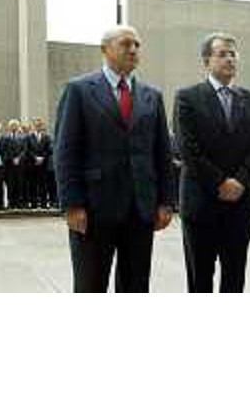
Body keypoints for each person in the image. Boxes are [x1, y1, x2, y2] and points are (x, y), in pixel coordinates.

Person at [55, 25, 175, 293]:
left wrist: (166, 201)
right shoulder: (79, 90)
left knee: (136, 285)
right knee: (90, 285)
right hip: (94, 209)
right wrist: (72, 204)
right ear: (105, 49)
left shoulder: (151, 96)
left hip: (140, 209)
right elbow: (65, 152)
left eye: (137, 45)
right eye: (126, 44)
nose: (133, 50)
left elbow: (161, 152)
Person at [174, 32, 250, 293]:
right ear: (206, 61)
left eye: (233, 54)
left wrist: (239, 181)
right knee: (200, 277)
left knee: (235, 277)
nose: (230, 58)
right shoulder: (187, 97)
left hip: (240, 203)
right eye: (222, 53)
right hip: (201, 201)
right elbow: (188, 148)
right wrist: (220, 182)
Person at [25, 118, 52, 208]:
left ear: (42, 126)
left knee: (43, 184)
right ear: (33, 126)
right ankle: (33, 204)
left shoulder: (46, 137)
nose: (38, 126)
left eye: (40, 125)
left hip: (43, 165)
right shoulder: (29, 137)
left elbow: (48, 149)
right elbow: (28, 150)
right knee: (33, 184)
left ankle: (44, 203)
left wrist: (42, 158)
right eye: (36, 125)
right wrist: (35, 158)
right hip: (32, 164)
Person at [0, 119, 27, 209]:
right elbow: (3, 150)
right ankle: (11, 203)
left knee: (19, 184)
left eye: (15, 125)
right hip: (9, 165)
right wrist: (12, 159)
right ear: (9, 127)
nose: (14, 127)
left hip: (20, 165)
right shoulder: (4, 137)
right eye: (12, 125)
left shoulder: (22, 137)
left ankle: (19, 203)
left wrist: (19, 158)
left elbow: (24, 150)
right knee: (10, 184)